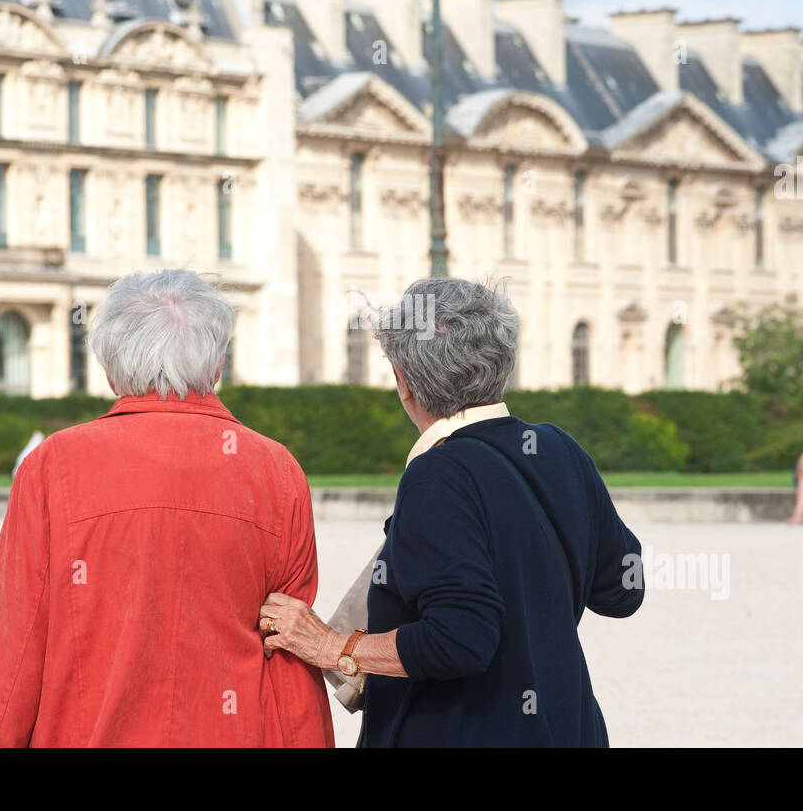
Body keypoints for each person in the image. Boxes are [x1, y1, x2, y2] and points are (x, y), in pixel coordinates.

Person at [259, 277, 645, 747]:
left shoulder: (437, 474)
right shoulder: (557, 448)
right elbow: (623, 589)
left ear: (404, 382)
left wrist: (333, 647)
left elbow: (459, 638)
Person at [0, 269, 333, 747]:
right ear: (217, 366)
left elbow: (11, 653)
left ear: (111, 370)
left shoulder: (54, 465)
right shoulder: (276, 470)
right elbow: (288, 657)